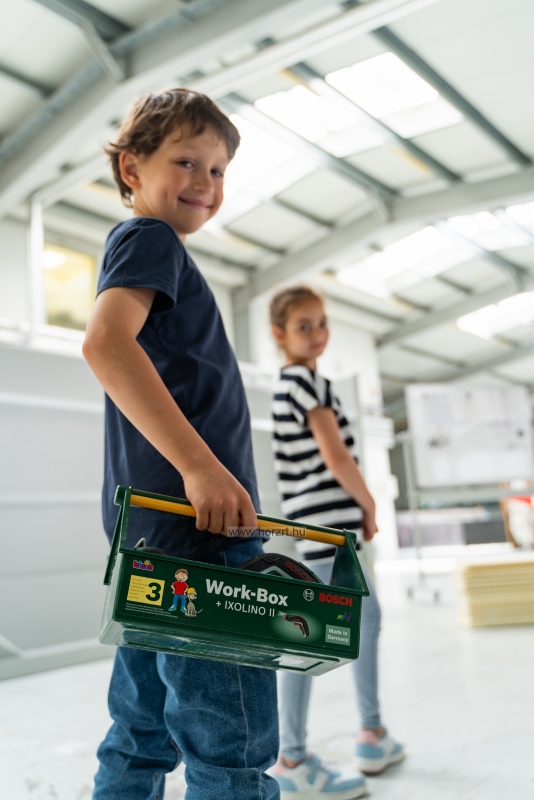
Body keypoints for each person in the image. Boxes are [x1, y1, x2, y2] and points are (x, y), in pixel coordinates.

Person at [83, 88, 279, 800]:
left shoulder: (153, 253)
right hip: (199, 540)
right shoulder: (151, 239)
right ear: (132, 167)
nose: (206, 182)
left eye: (218, 170)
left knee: (140, 736)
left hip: (152, 542)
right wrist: (200, 466)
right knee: (231, 747)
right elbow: (105, 344)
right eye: (187, 162)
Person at [268, 286, 404, 799]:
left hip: (314, 524)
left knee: (313, 630)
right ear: (279, 334)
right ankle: (321, 748)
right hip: (328, 523)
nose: (317, 334)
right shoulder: (308, 384)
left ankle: (354, 737)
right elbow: (337, 457)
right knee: (316, 632)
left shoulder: (289, 385)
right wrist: (369, 503)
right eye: (303, 326)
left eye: (322, 323)